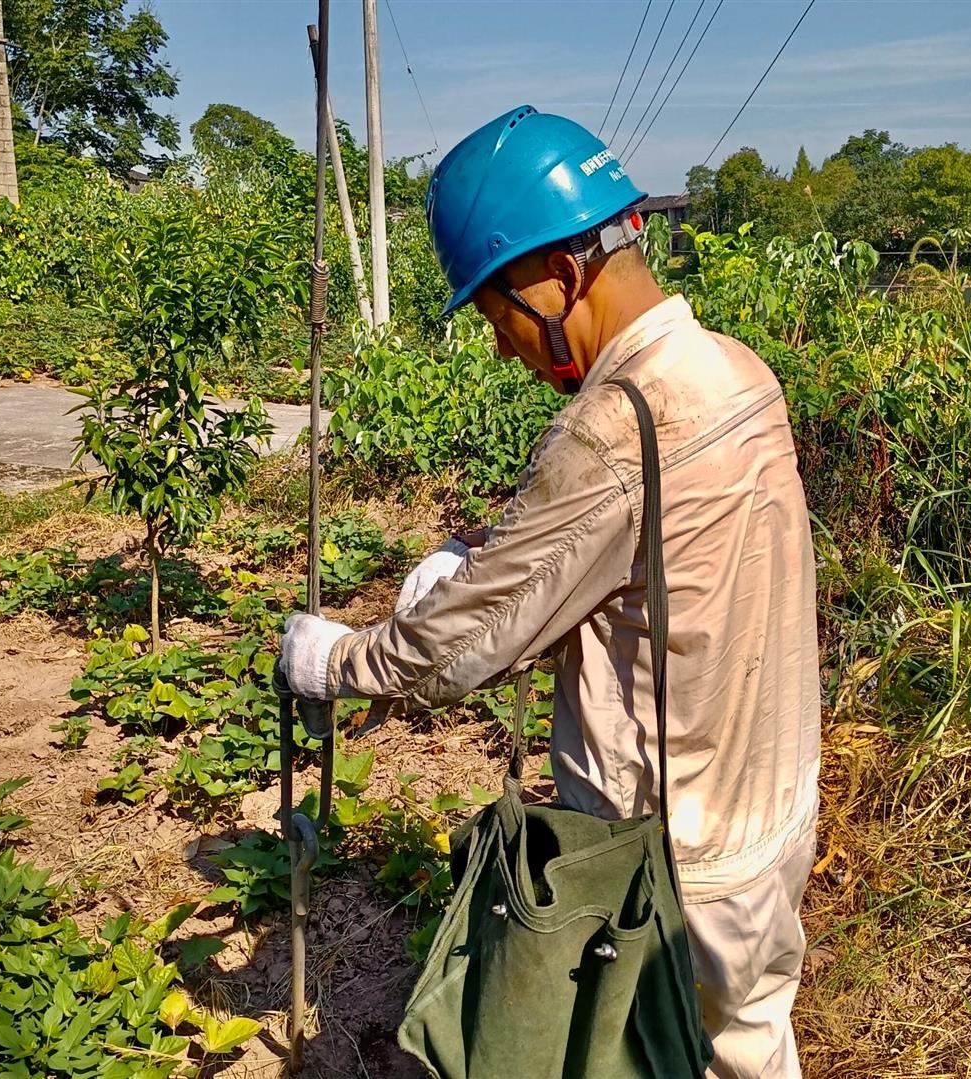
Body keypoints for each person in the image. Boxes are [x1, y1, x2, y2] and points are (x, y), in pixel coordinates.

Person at [279, 105, 821, 1079]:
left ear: (559, 275)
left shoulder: (612, 429)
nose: (502, 348)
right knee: (751, 1041)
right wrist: (481, 547)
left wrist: (332, 657)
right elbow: (643, 545)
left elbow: (458, 651)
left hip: (673, 867)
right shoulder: (740, 373)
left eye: (497, 315)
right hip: (770, 819)